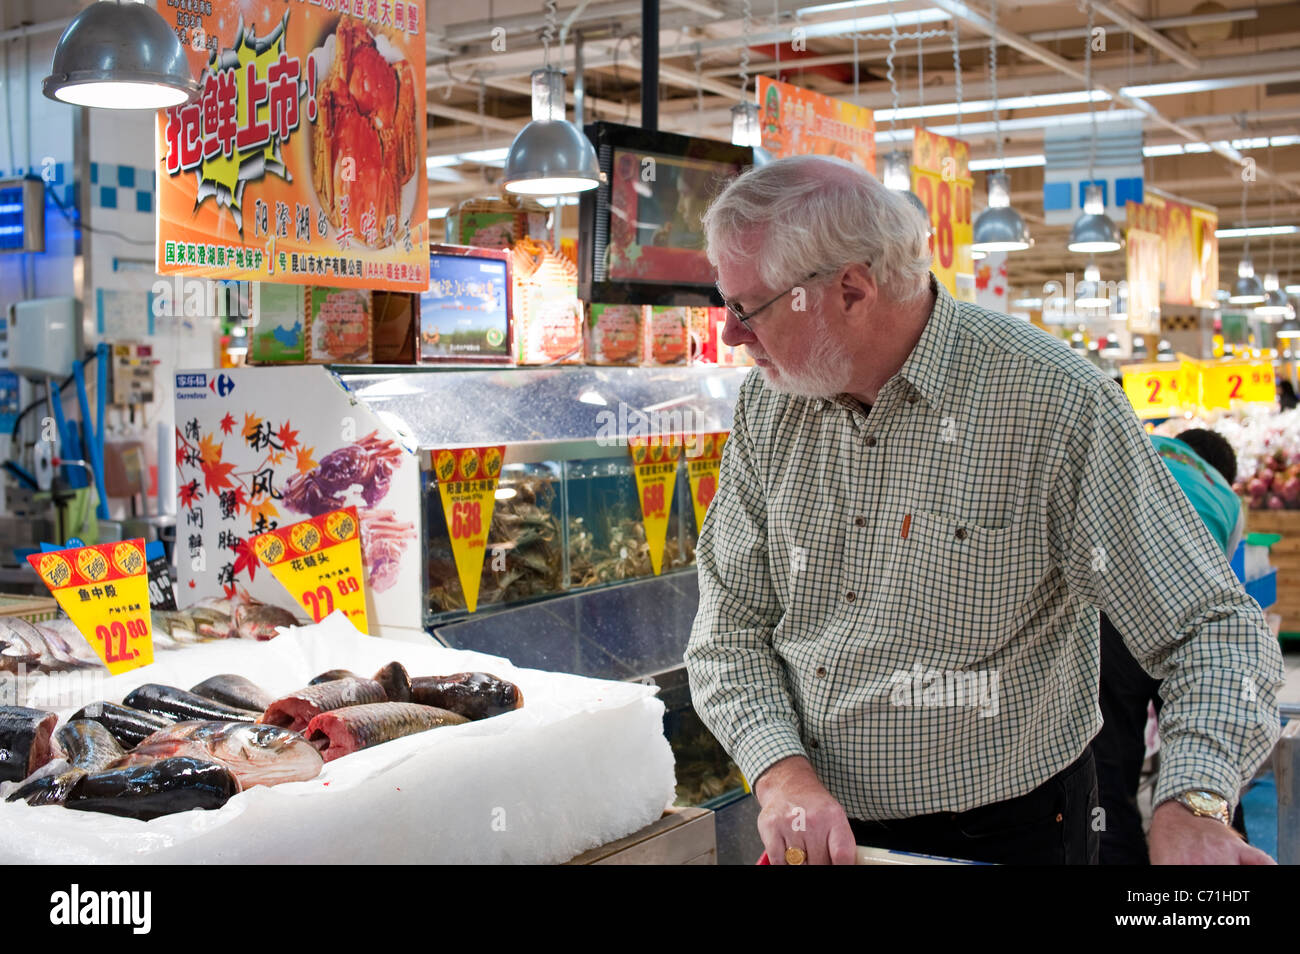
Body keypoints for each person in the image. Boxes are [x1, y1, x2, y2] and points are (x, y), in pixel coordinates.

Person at [683, 155, 1284, 866]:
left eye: (748, 308)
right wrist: (783, 776)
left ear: (849, 290)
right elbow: (730, 631)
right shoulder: (768, 405)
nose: (730, 335)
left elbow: (1211, 629)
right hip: (816, 832)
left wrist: (1195, 806)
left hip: (1011, 833)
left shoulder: (1053, 402)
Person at [1096, 428, 1248, 864]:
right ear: (1226, 474)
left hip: (1114, 606)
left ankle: (1115, 850)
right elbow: (1220, 580)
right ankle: (1214, 838)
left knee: (1112, 753)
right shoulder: (1229, 501)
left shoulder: (1144, 445)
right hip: (1187, 626)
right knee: (1199, 741)